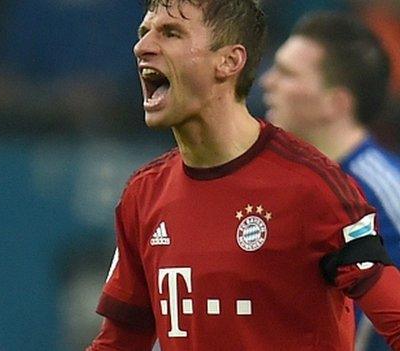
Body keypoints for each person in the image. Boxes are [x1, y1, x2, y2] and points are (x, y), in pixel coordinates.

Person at [85, 1, 400, 350]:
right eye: (144, 32)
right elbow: (120, 341)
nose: (142, 47)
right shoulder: (143, 196)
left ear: (229, 61)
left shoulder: (313, 187)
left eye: (171, 33)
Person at [261, 11, 400, 351]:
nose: (267, 81)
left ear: (335, 103)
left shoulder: (383, 195)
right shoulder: (273, 183)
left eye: (287, 73)